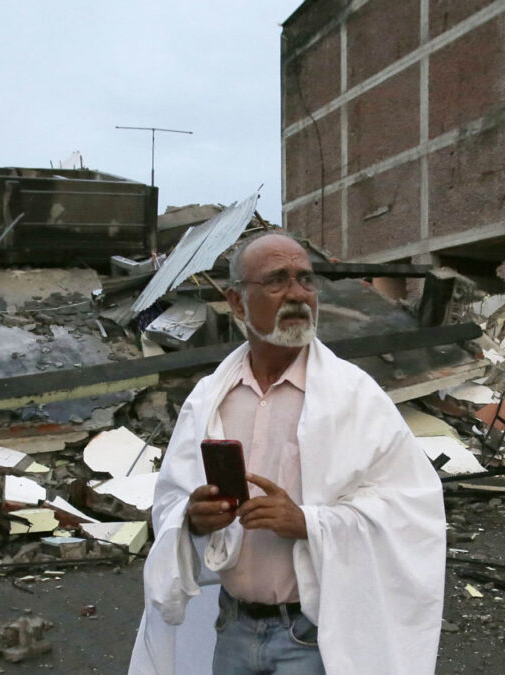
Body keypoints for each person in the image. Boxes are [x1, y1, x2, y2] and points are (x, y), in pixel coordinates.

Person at [128, 233, 446, 674]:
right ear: (237, 303)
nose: (297, 294)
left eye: (306, 280)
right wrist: (193, 519)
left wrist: (308, 522)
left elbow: (413, 509)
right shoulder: (209, 399)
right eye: (277, 281)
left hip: (311, 635)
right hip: (233, 627)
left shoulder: (355, 397)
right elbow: (168, 503)